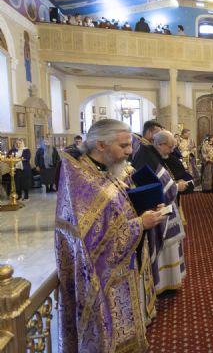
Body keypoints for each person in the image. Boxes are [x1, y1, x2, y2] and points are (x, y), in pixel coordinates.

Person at [55, 119, 167, 352]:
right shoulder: (83, 182)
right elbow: (93, 244)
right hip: (101, 281)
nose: (129, 152)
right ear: (101, 145)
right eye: (123, 146)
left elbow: (115, 211)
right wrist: (140, 224)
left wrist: (144, 207)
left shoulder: (101, 169)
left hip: (123, 269)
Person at [132, 130, 187, 295]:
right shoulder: (148, 157)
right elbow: (158, 186)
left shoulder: (154, 155)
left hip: (166, 209)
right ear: (160, 144)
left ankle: (172, 280)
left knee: (171, 247)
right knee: (164, 248)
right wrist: (177, 187)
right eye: (170, 147)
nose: (172, 150)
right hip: (158, 211)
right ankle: (164, 283)